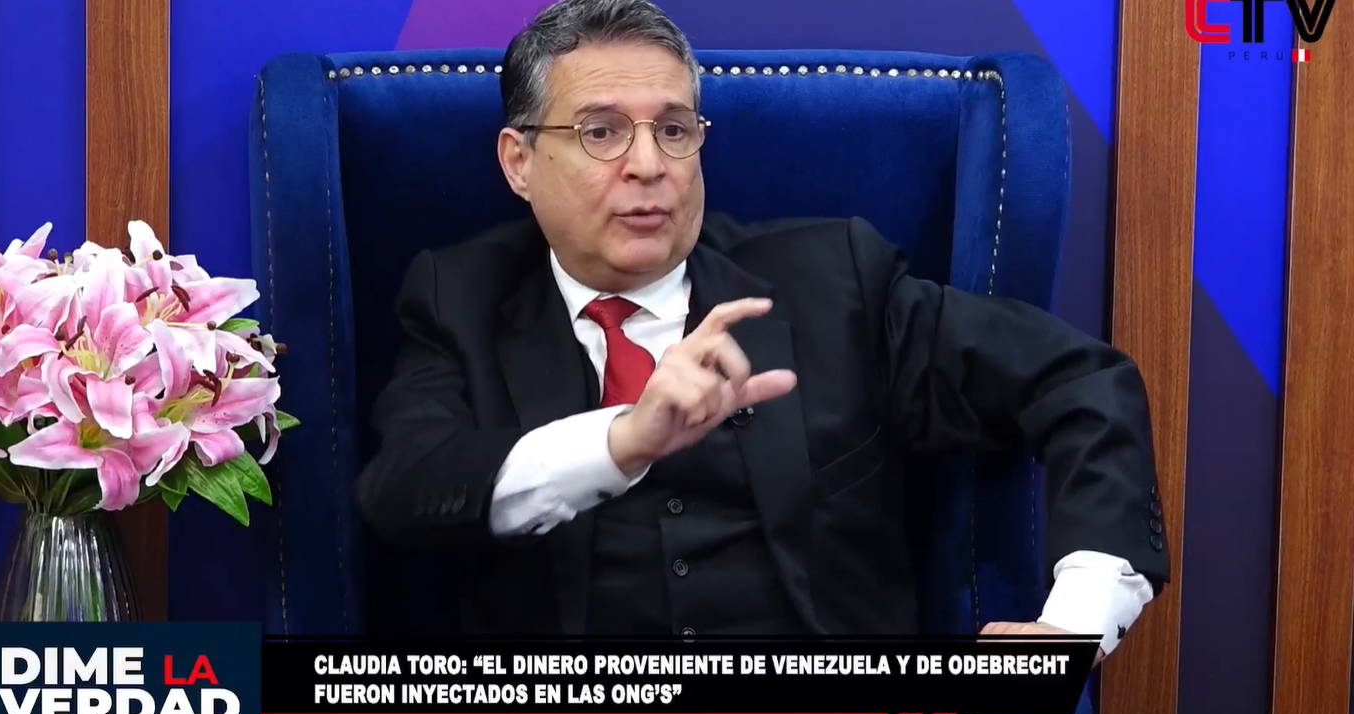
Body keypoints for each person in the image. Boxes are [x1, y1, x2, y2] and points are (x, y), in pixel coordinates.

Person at [355, 0, 1168, 661]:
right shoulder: (458, 297)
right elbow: (404, 490)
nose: (649, 165)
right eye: (601, 131)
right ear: (519, 161)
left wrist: (1076, 620)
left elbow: (1079, 383)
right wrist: (624, 441)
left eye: (674, 129)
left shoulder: (835, 282)